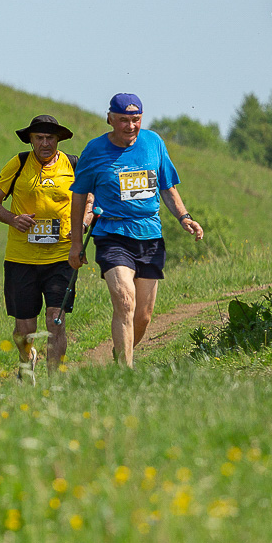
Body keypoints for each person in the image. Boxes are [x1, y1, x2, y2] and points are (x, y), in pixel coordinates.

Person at [68, 93, 203, 367]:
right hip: (112, 234)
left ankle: (120, 354)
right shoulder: (94, 150)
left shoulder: (153, 143)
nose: (130, 126)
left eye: (136, 120)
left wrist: (184, 216)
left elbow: (167, 186)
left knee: (143, 316)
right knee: (125, 302)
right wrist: (76, 243)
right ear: (110, 119)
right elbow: (79, 196)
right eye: (123, 120)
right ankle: (125, 373)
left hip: (150, 235)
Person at [0, 114, 91, 371]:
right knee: (24, 330)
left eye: (50, 138)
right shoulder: (19, 163)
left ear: (58, 140)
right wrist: (13, 219)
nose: (45, 143)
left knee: (56, 322)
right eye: (39, 138)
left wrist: (82, 226)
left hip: (61, 257)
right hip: (21, 258)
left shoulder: (73, 165)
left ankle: (55, 382)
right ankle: (27, 360)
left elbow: (91, 200)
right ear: (31, 140)